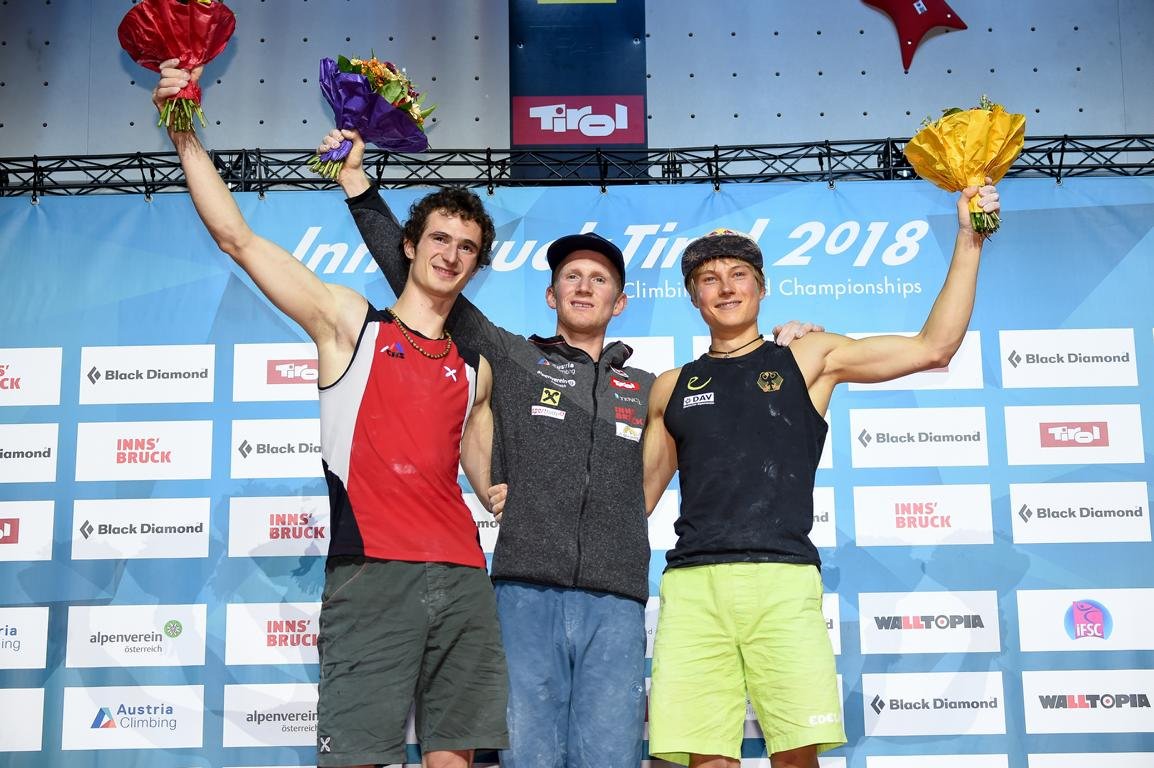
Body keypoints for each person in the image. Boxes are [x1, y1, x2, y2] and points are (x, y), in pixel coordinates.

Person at [319, 129, 817, 768]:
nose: (584, 287)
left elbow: (735, 398)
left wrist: (792, 341)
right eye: (571, 277)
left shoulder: (655, 388)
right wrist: (357, 186)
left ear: (620, 301)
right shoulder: (512, 359)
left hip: (617, 602)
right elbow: (421, 279)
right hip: (522, 595)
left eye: (600, 279)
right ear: (551, 296)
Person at [153, 62, 507, 768]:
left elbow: (477, 464)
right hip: (373, 571)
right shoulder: (349, 324)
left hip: (464, 573)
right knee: (356, 758)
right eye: (440, 238)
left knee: (454, 758)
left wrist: (498, 489)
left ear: (476, 266)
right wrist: (183, 129)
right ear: (410, 246)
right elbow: (239, 239)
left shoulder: (477, 368)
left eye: (466, 247)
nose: (451, 254)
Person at [641, 184, 1000, 768]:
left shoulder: (808, 357)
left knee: (795, 756)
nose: (726, 287)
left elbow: (933, 347)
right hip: (692, 586)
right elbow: (634, 502)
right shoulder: (670, 386)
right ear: (693, 296)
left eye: (738, 274)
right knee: (707, 759)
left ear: (762, 287)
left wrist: (969, 238)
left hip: (782, 581)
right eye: (709, 278)